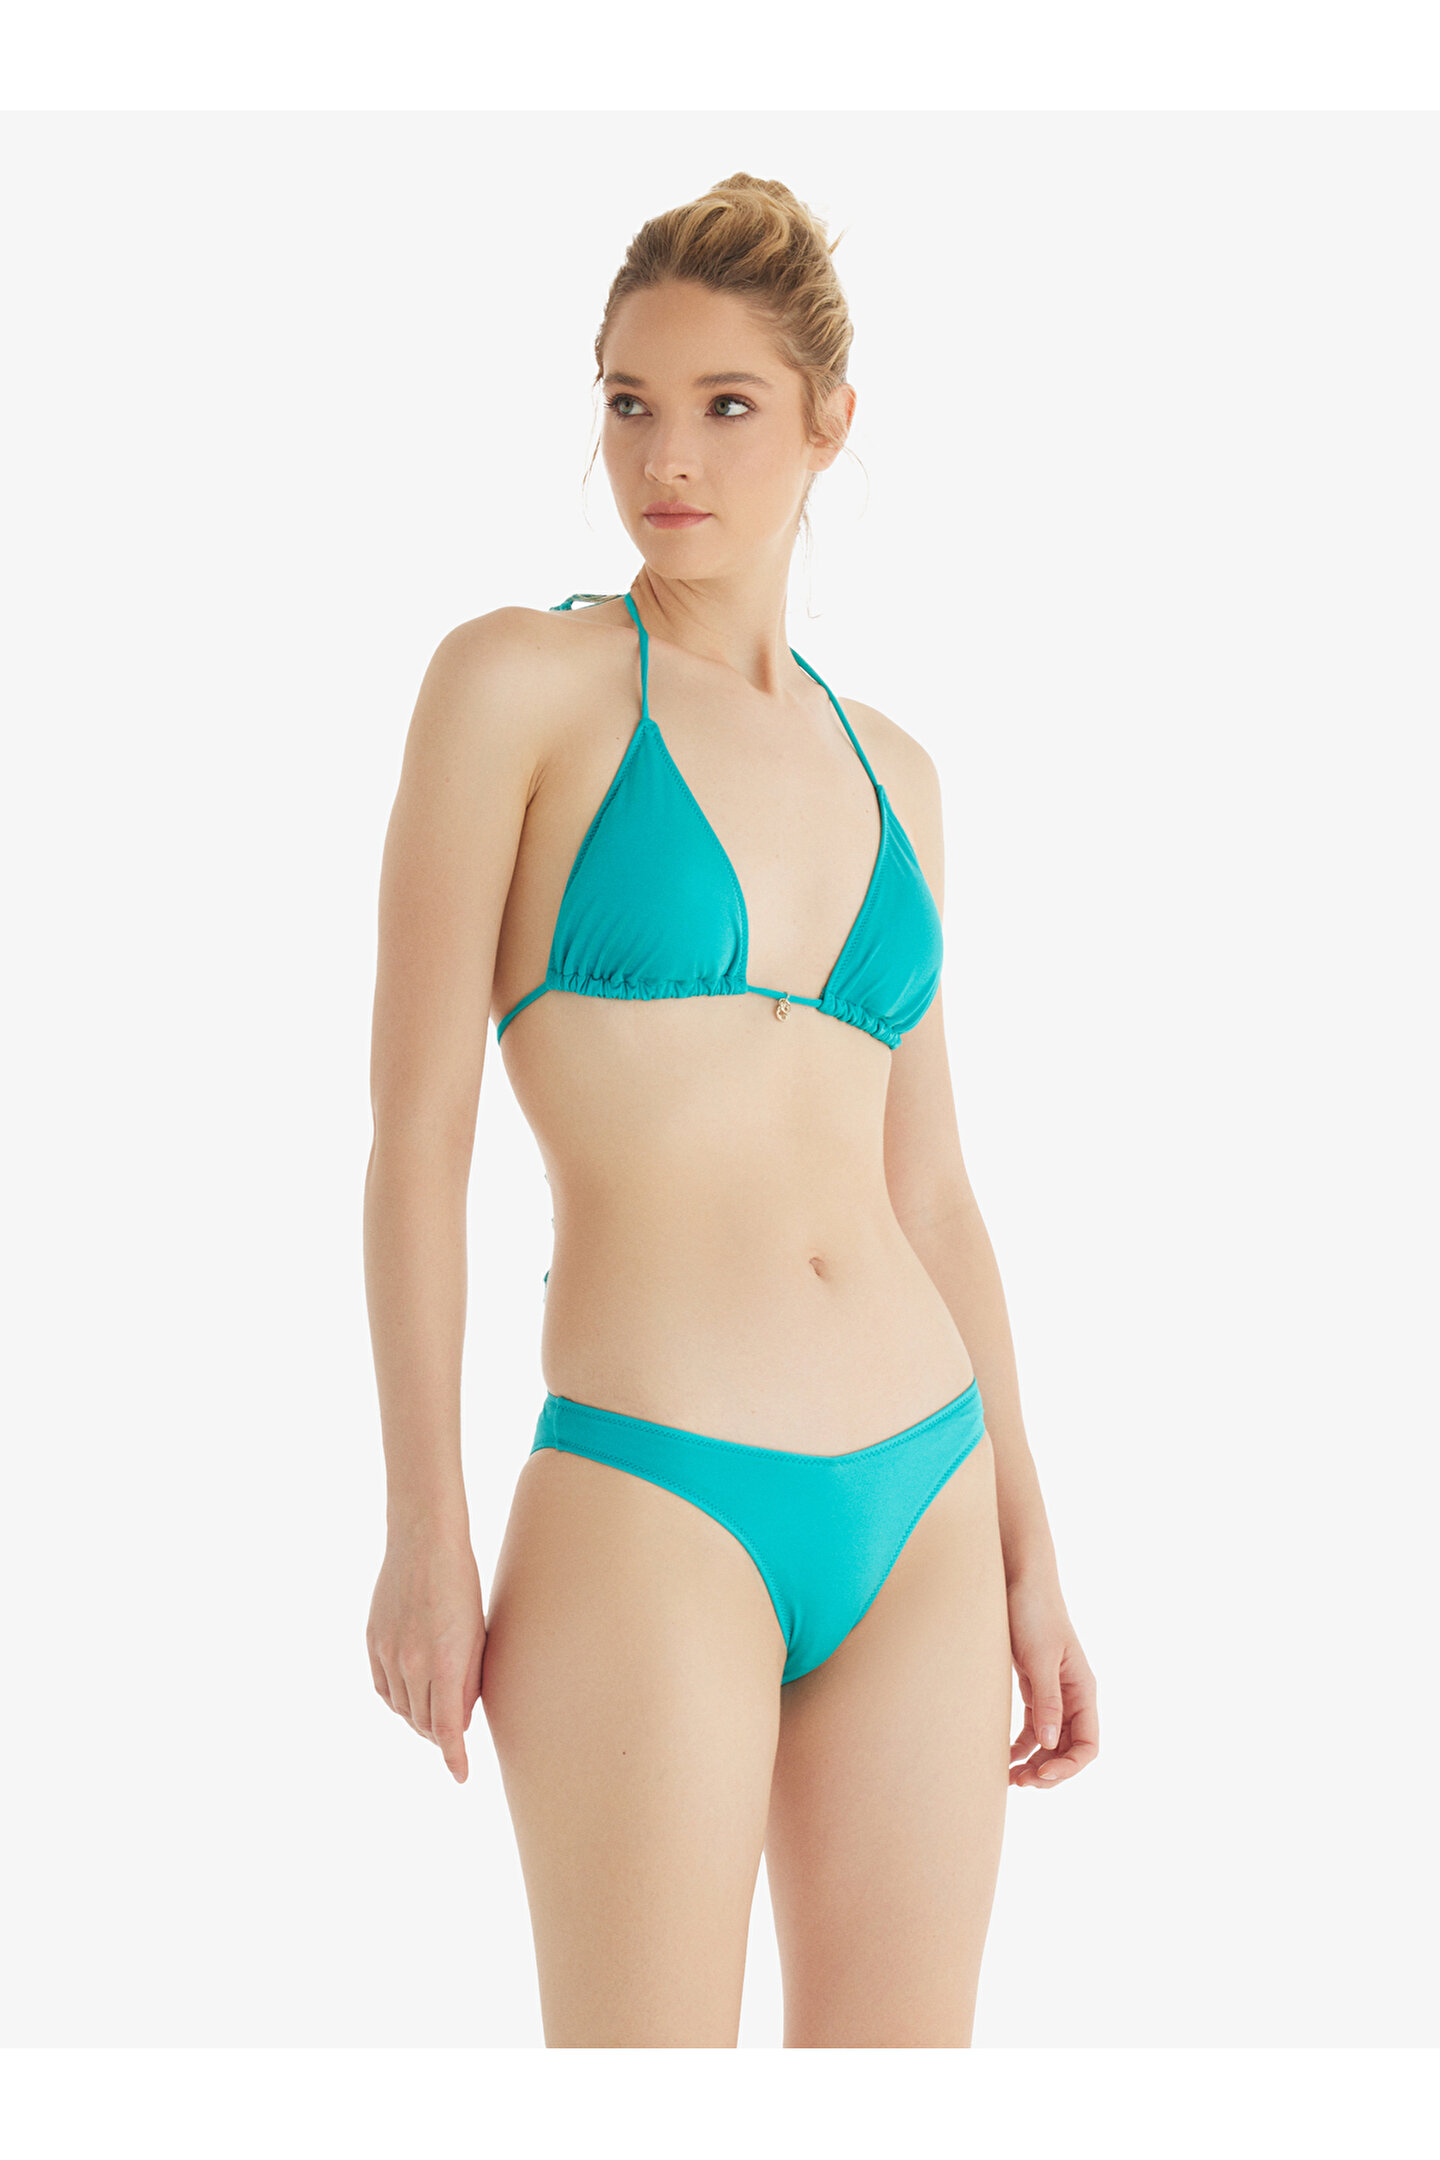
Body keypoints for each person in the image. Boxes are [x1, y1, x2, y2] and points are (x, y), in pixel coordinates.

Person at [364, 172, 1098, 2049]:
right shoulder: (519, 685)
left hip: (925, 1490)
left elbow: (934, 1192)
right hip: (652, 1488)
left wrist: (1029, 1542)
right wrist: (426, 1519)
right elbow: (418, 1132)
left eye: (724, 405)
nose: (664, 457)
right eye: (629, 402)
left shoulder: (896, 771)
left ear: (830, 423)